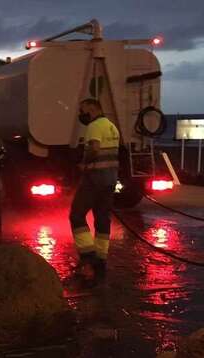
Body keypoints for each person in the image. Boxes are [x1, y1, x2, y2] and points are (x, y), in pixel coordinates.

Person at [69, 98, 120, 282]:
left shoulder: (94, 126)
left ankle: (87, 256)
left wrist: (84, 163)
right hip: (110, 179)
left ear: (92, 109)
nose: (81, 114)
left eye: (82, 110)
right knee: (102, 218)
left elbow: (95, 148)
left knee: (76, 215)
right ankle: (100, 258)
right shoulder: (112, 127)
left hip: (94, 178)